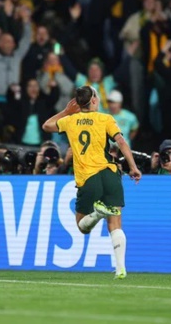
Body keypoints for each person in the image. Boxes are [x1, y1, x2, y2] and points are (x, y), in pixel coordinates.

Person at [42, 85, 142, 279]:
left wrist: (66, 111)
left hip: (88, 177)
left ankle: (96, 214)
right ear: (94, 101)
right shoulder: (106, 119)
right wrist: (133, 167)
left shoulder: (70, 120)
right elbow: (121, 142)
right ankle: (121, 267)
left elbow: (46, 126)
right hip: (110, 173)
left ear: (78, 104)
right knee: (116, 223)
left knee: (81, 226)